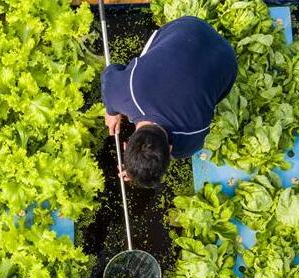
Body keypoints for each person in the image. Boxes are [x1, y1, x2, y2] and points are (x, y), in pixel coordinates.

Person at [101, 15, 238, 188]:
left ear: (171, 150)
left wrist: (140, 167)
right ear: (126, 144)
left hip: (228, 60)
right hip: (191, 29)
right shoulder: (123, 94)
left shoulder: (192, 141)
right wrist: (111, 110)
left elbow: (166, 153)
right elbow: (110, 72)